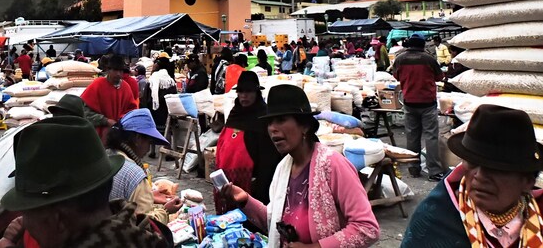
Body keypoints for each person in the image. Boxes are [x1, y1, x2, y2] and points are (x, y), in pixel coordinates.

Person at [219, 85, 379, 248]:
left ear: (305, 126)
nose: (273, 129)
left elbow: (367, 228)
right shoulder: (283, 168)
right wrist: (245, 200)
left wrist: (314, 247)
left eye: (281, 120)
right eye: (269, 122)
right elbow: (274, 222)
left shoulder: (333, 165)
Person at [0, 116, 172, 248]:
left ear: (58, 220)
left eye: (28, 212)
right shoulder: (142, 230)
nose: (23, 221)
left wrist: (6, 242)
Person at [403, 105, 543, 247]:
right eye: (472, 163)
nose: (480, 176)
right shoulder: (435, 220)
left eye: (496, 169)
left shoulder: (539, 215)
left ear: (528, 182)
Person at [214, 72, 281, 216]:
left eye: (249, 92)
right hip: (230, 179)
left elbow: (269, 156)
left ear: (257, 93)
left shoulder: (264, 116)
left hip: (255, 182)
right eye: (241, 92)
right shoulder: (235, 113)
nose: (244, 96)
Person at [106, 109, 182, 223]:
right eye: (149, 141)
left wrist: (150, 195)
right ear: (137, 139)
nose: (148, 147)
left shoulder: (106, 155)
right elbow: (145, 226)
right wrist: (165, 211)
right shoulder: (135, 175)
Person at [392, 34, 445, 181]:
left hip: (409, 102)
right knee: (431, 136)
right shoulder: (429, 59)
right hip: (428, 103)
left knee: (412, 136)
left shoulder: (400, 59)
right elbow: (439, 77)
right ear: (422, 45)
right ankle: (434, 171)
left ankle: (413, 169)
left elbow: (396, 77)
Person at [81, 54, 138, 140]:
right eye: (115, 70)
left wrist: (121, 121)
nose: (118, 74)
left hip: (119, 135)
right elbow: (85, 112)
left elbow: (131, 110)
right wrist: (105, 121)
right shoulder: (97, 85)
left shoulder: (126, 87)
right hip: (98, 136)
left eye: (121, 71)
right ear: (108, 70)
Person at [144, 57, 177, 155]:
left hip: (154, 108)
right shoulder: (170, 80)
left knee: (153, 128)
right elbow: (173, 94)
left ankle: (152, 151)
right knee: (167, 130)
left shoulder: (153, 79)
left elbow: (147, 94)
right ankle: (168, 150)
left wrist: (146, 105)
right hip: (166, 109)